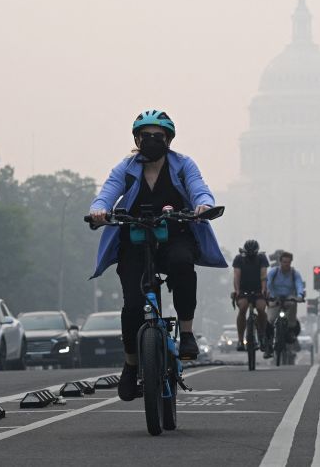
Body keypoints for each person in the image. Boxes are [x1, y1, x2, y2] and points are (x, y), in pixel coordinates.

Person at [89, 109, 226, 402]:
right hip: (136, 241)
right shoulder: (125, 169)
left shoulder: (183, 165)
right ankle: (131, 364)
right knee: (132, 306)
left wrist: (203, 206)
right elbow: (107, 193)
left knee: (182, 264)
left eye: (158, 136)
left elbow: (199, 189)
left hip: (174, 236)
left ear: (169, 139)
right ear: (137, 139)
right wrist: (99, 210)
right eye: (146, 136)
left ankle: (187, 333)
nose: (151, 141)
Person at [265, 251, 305, 357]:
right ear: (280, 262)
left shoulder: (294, 273)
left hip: (288, 298)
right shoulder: (273, 272)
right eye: (284, 262)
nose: (286, 264)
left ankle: (290, 331)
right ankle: (268, 344)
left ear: (291, 262)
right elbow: (267, 284)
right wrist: (269, 295)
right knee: (270, 320)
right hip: (275, 297)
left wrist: (300, 296)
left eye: (288, 262)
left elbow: (299, 284)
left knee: (293, 305)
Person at [232, 239, 269, 352]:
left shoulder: (262, 258)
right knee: (242, 308)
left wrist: (263, 289)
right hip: (243, 290)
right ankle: (240, 340)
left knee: (261, 309)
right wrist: (237, 290)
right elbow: (237, 276)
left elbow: (263, 275)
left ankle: (262, 335)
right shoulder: (239, 259)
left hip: (258, 290)